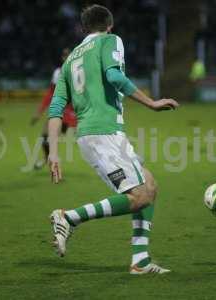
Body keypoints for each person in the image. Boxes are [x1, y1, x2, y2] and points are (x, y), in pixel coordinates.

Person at [48, 4, 179, 275]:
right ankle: (69, 218)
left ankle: (140, 261)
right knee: (139, 196)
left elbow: (56, 107)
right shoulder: (111, 41)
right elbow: (114, 75)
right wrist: (151, 103)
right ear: (110, 25)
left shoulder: (71, 60)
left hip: (94, 135)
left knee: (150, 185)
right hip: (103, 134)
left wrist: (53, 151)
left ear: (84, 29)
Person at [30, 48, 77, 169]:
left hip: (74, 112)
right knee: (46, 136)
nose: (66, 58)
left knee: (85, 140)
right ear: (62, 58)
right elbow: (50, 94)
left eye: (69, 56)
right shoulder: (58, 73)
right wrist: (39, 112)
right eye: (64, 56)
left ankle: (107, 162)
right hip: (60, 110)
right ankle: (47, 159)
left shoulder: (79, 72)